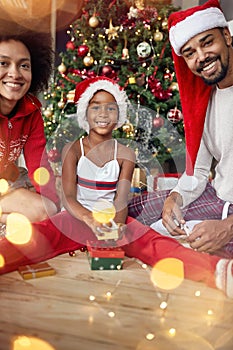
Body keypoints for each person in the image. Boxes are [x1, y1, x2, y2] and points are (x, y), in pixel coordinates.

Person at [0, 76, 233, 299]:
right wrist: (89, 219)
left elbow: (121, 199)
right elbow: (69, 198)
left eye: (111, 108)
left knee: (150, 241)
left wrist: (116, 226)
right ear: (85, 113)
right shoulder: (73, 149)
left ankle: (218, 271)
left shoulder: (126, 154)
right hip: (76, 218)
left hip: (112, 221)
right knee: (37, 235)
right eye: (96, 107)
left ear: (119, 114)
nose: (103, 114)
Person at [128, 0, 233, 259]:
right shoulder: (205, 97)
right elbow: (197, 169)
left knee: (198, 255)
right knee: (130, 210)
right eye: (190, 52)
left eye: (208, 42)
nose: (201, 57)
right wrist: (175, 198)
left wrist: (228, 228)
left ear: (227, 36)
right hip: (217, 193)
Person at [0, 22, 60, 229]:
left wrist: (54, 206)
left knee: (49, 209)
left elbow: (39, 166)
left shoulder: (31, 111)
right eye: (3, 63)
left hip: (8, 185)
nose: (15, 74)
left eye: (24, 65)